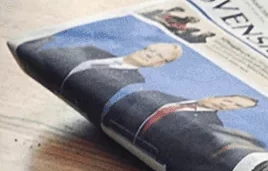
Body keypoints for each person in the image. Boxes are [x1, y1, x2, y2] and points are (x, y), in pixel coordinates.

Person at [15, 41, 183, 122]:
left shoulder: (133, 84)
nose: (149, 54)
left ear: (160, 64)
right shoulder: (90, 50)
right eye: (151, 49)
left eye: (158, 56)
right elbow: (41, 54)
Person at [104, 91, 259, 160]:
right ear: (219, 95)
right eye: (230, 100)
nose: (228, 104)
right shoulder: (159, 96)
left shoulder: (211, 126)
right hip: (107, 137)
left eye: (236, 106)